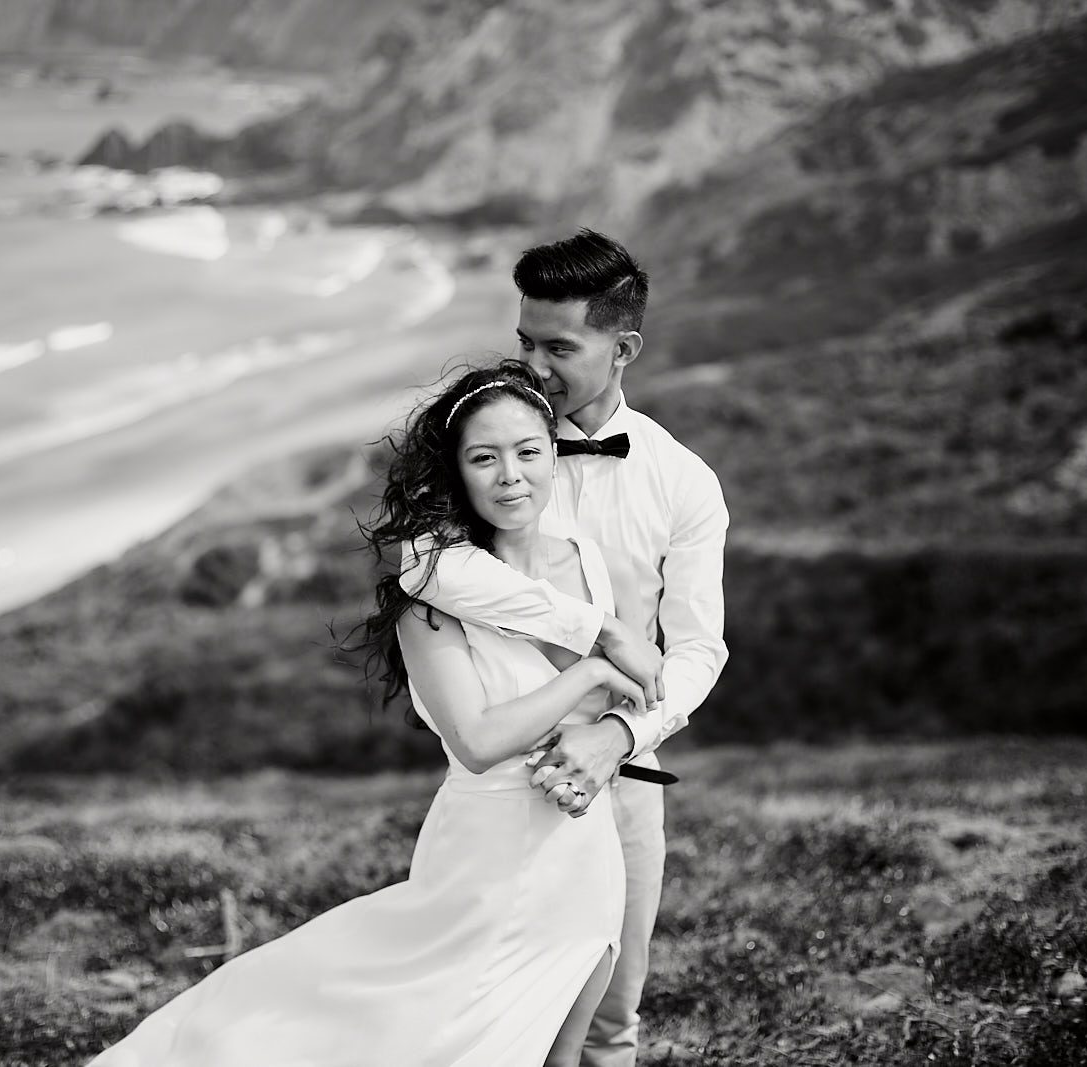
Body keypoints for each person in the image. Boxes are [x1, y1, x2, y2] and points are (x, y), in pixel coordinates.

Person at [86, 362, 650, 1066]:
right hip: (491, 855)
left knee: (560, 1049)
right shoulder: (429, 601)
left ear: (554, 454)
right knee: (436, 1038)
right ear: (457, 472)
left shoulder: (594, 564)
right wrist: (592, 670)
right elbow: (478, 741)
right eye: (484, 458)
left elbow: (651, 689)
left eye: (528, 451)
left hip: (584, 843)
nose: (511, 476)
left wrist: (608, 735)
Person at [399, 229, 729, 1066]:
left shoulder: (682, 481)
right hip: (501, 794)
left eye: (559, 348)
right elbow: (423, 564)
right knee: (474, 1017)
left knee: (608, 1022)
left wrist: (618, 733)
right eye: (525, 343)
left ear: (624, 349)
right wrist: (597, 631)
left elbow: (699, 651)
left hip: (625, 783)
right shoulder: (486, 444)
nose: (533, 367)